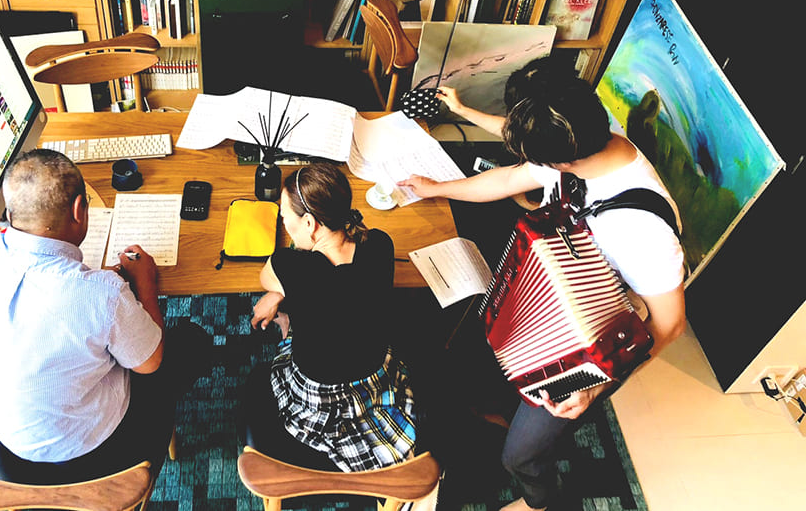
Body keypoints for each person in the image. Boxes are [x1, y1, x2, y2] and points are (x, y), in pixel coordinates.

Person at [401, 69, 686, 511]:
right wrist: (436, 187)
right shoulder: (582, 138)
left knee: (521, 455)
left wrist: (594, 387)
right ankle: (498, 410)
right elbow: (507, 180)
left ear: (560, 162)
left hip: (592, 343)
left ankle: (539, 502)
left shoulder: (643, 231)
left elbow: (670, 324)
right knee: (479, 355)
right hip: (549, 296)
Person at [0, 148, 211, 484]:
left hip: (9, 441)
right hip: (93, 452)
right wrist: (145, 283)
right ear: (79, 210)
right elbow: (151, 362)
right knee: (191, 341)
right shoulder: (102, 293)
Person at [243, 162, 416, 473]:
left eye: (285, 218)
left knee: (287, 347)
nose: (285, 224)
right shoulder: (380, 244)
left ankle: (289, 326)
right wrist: (288, 291)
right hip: (374, 382)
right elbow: (337, 290)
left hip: (318, 398)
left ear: (309, 223)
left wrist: (279, 294)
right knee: (330, 320)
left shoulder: (289, 265)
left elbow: (266, 279)